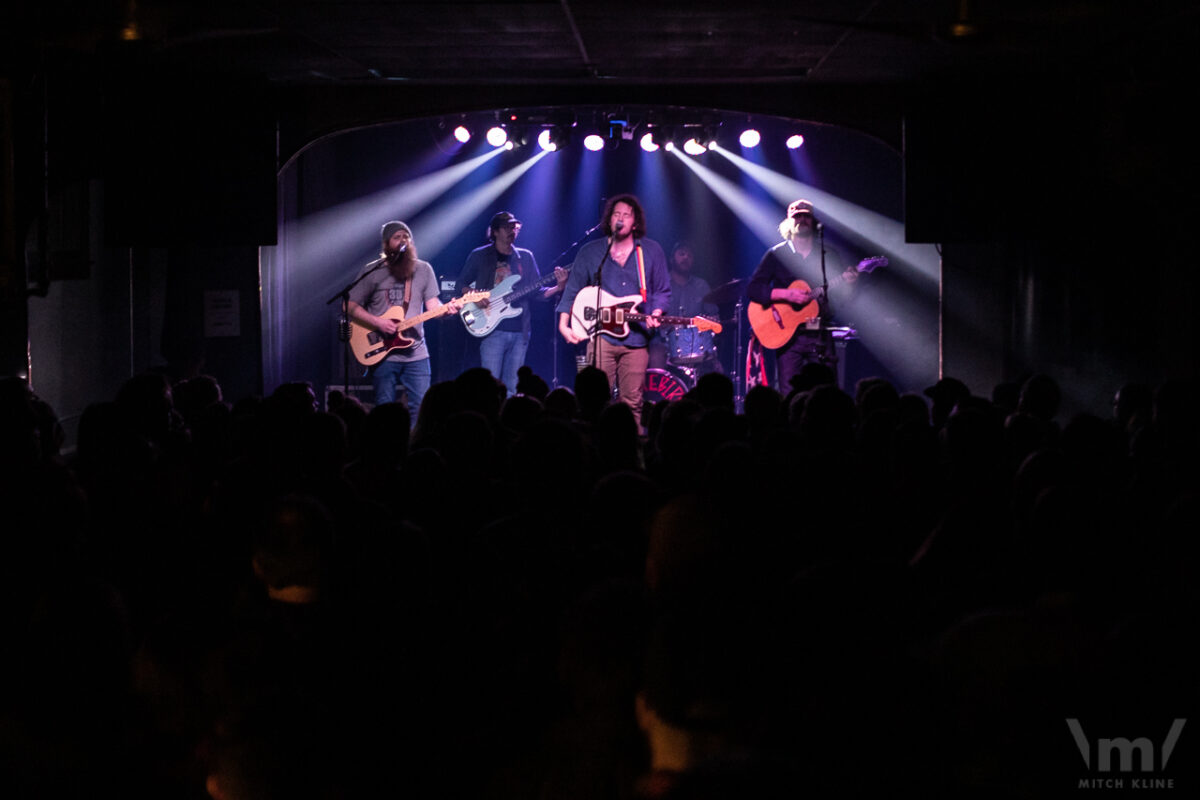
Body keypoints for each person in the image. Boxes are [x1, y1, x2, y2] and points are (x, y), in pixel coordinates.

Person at [556, 194, 670, 430]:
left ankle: (632, 449)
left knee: (633, 402)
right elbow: (573, 290)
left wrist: (657, 311)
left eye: (626, 215)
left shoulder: (650, 251)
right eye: (616, 214)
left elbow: (662, 290)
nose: (620, 218)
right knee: (596, 401)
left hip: (637, 340)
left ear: (635, 222)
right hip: (601, 337)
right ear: (609, 220)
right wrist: (563, 324)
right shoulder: (591, 252)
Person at [347, 220, 461, 420]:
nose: (403, 241)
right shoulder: (373, 270)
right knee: (385, 410)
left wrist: (447, 310)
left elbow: (433, 306)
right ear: (386, 243)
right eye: (397, 237)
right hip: (382, 352)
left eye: (406, 236)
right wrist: (378, 323)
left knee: (422, 409)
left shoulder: (423, 269)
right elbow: (349, 305)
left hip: (416, 352)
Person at [745, 199, 858, 394]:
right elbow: (753, 289)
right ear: (789, 221)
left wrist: (849, 285)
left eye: (807, 216)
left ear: (813, 221)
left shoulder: (827, 255)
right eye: (798, 216)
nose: (802, 220)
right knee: (789, 391)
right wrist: (785, 294)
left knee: (826, 391)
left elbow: (842, 298)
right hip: (788, 337)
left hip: (820, 333)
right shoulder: (776, 254)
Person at [456, 211, 567, 398]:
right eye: (507, 227)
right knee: (489, 386)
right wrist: (474, 296)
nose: (512, 231)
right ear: (496, 231)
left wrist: (558, 287)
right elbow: (461, 284)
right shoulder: (480, 255)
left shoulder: (525, 257)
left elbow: (535, 292)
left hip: (520, 331)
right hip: (491, 328)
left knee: (513, 388)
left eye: (515, 227)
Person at [648, 241, 720, 374]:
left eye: (690, 256)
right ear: (671, 259)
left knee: (716, 368)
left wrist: (711, 321)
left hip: (697, 344)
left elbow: (714, 316)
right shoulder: (660, 283)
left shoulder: (701, 285)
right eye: (682, 254)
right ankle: (656, 393)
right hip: (664, 342)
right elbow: (648, 315)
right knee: (655, 354)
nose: (686, 257)